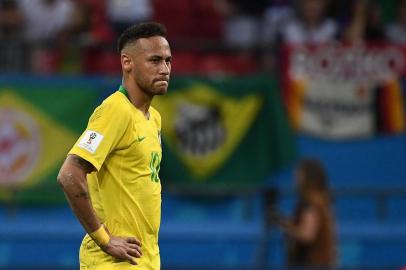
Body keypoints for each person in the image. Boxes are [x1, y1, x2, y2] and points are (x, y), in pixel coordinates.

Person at [57, 22, 171, 269]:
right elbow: (69, 175)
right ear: (127, 62)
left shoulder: (154, 119)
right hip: (112, 262)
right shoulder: (115, 110)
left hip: (142, 259)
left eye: (167, 61)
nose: (164, 69)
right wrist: (104, 239)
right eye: (154, 60)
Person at [271, 159, 337, 269]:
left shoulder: (312, 203)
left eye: (299, 176)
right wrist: (285, 222)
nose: (295, 180)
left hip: (312, 263)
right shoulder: (323, 201)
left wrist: (287, 228)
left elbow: (307, 234)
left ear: (308, 178)